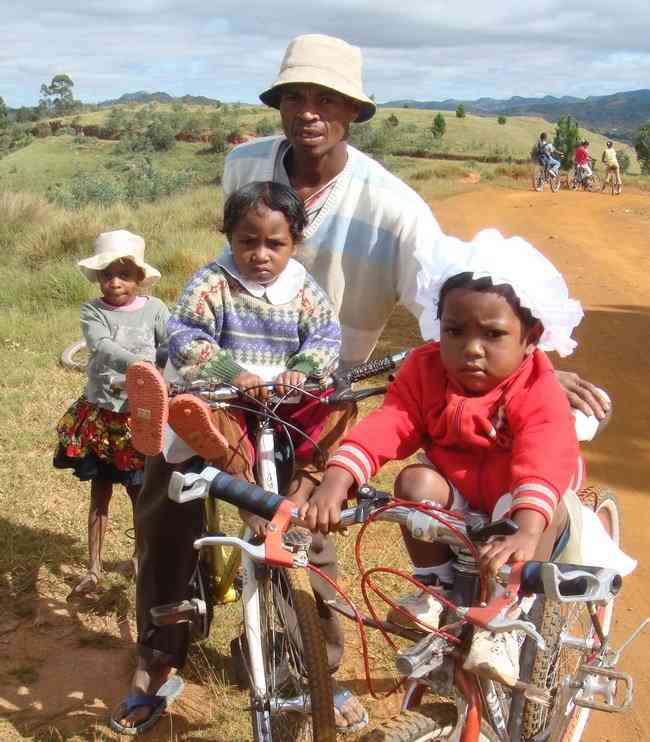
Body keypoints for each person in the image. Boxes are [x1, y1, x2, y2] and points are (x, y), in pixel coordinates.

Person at [114, 33, 610, 734]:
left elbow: (454, 301)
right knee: (167, 488)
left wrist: (537, 362)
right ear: (278, 104)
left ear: (353, 110)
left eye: (325, 100)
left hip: (321, 386)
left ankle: (316, 662)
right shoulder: (244, 164)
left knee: (314, 522)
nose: (307, 112)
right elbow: (231, 265)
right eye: (294, 97)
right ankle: (161, 656)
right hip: (230, 380)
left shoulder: (393, 206)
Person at [299, 229, 596, 684]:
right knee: (414, 483)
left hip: (527, 493)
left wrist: (529, 529)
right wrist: (338, 479)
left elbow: (543, 451)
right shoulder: (426, 368)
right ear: (438, 327)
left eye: (494, 334)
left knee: (531, 510)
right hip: (460, 485)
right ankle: (434, 588)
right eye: (455, 331)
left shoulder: (536, 383)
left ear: (531, 338)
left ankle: (507, 615)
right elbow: (390, 421)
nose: (471, 348)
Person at [53, 230, 168, 597]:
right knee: (99, 494)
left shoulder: (156, 310)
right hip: (103, 418)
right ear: (98, 277)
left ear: (139, 277)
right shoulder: (92, 311)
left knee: (140, 495)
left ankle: (139, 560)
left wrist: (166, 373)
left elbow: (168, 347)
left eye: (124, 274)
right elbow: (100, 346)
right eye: (107, 275)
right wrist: (141, 365)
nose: (115, 282)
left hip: (140, 418)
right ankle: (93, 569)